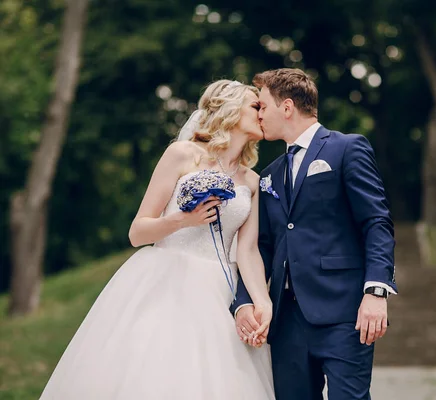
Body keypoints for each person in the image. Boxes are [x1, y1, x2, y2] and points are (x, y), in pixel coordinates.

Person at [39, 80, 275, 400]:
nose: (262, 113)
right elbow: (137, 232)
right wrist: (181, 220)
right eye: (255, 106)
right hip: (166, 281)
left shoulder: (252, 180)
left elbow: (247, 251)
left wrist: (262, 301)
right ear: (230, 110)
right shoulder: (182, 155)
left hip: (220, 289)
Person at [233, 68, 397, 400]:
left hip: (343, 314)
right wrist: (244, 301)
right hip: (286, 320)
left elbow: (376, 223)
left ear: (287, 107)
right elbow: (261, 246)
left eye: (262, 106)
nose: (258, 114)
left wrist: (376, 293)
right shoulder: (269, 175)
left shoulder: (347, 149)